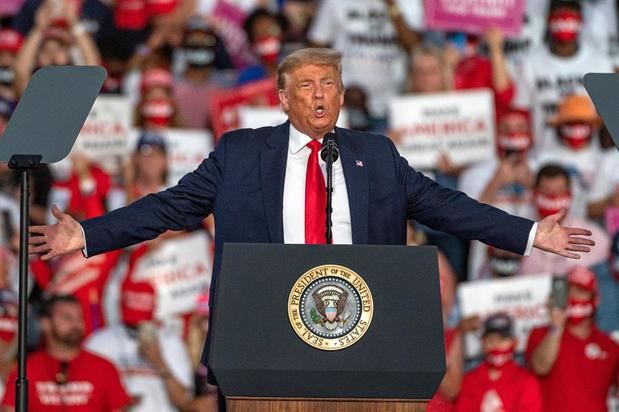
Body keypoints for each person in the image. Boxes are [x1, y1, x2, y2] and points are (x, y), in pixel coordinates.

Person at [28, 47, 595, 394]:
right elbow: (170, 206)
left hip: (362, 337)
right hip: (262, 337)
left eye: (329, 85)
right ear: (282, 98)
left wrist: (526, 232)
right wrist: (88, 233)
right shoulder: (240, 153)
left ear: (343, 96)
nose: (320, 94)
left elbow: (446, 205)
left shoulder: (377, 155)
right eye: (307, 85)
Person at [0, 294, 132, 411]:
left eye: (79, 317)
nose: (76, 324)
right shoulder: (26, 370)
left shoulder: (104, 368)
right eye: (67, 318)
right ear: (45, 323)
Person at [85, 279, 193, 412]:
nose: (136, 325)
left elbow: (185, 402)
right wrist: (119, 400)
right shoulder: (98, 343)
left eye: (141, 320)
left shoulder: (170, 342)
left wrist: (159, 362)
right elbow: (85, 395)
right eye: (131, 322)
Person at [526, 266, 619, 412]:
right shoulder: (541, 334)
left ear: (596, 299)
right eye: (568, 292)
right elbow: (540, 367)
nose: (573, 296)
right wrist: (556, 326)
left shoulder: (610, 345)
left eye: (581, 291)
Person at [520, 164, 609, 275]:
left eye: (559, 190)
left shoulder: (593, 236)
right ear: (534, 193)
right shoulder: (518, 230)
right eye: (546, 190)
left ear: (570, 194)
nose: (553, 195)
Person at [455, 313, 542, 412]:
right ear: (483, 343)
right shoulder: (470, 380)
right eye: (491, 340)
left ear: (515, 342)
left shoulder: (527, 381)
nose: (496, 345)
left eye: (502, 340)